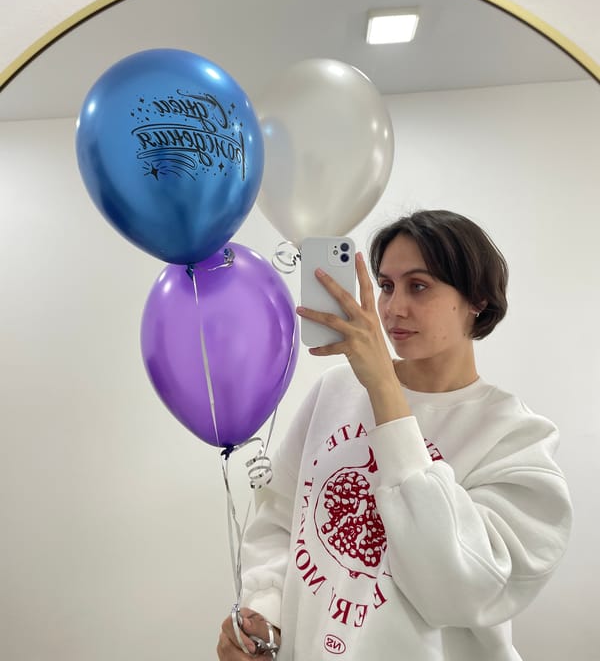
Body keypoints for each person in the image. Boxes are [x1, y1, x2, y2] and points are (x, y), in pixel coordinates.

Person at [216, 209, 572, 660]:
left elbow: (454, 589)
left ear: (477, 298)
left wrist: (385, 388)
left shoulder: (516, 438)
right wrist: (264, 612)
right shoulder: (335, 390)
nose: (393, 308)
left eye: (418, 286)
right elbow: (280, 520)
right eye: (386, 286)